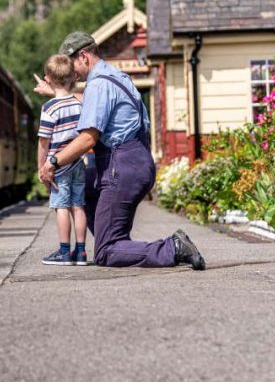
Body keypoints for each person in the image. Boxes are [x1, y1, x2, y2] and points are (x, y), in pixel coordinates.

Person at [38, 32, 206, 270]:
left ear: (84, 56)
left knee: (106, 253)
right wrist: (55, 93)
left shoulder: (97, 85)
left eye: (72, 63)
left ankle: (171, 248)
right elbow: (90, 102)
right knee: (82, 183)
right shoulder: (116, 77)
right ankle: (115, 242)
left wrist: (52, 162)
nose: (71, 72)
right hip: (136, 162)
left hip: (121, 166)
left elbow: (88, 138)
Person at [36, 55, 88, 266]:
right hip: (78, 162)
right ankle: (82, 252)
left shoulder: (49, 108)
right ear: (73, 77)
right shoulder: (79, 103)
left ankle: (64, 252)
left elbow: (43, 142)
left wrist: (41, 167)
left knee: (61, 207)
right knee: (78, 205)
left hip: (58, 167)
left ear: (47, 79)